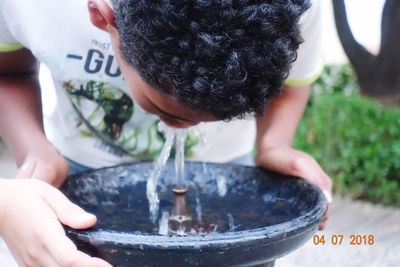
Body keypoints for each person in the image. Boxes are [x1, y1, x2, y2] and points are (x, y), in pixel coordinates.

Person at [0, 0, 332, 266]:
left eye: (220, 116)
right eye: (169, 111)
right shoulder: (32, 5)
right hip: (81, 170)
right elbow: (9, 73)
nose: (191, 127)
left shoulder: (290, 8)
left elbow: (292, 81)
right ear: (104, 19)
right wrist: (33, 148)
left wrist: (273, 142)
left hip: (227, 171)